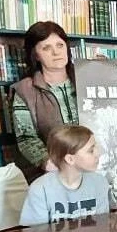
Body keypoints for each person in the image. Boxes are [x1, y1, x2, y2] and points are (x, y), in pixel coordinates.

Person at [12, 21, 79, 181]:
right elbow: (26, 137)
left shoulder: (86, 77)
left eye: (60, 45)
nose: (56, 52)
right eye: (46, 48)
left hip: (96, 167)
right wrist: (47, 161)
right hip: (54, 173)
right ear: (35, 55)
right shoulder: (25, 90)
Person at [20, 125, 110, 226]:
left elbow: (102, 227)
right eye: (91, 151)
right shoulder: (40, 190)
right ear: (70, 159)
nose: (98, 153)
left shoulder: (100, 183)